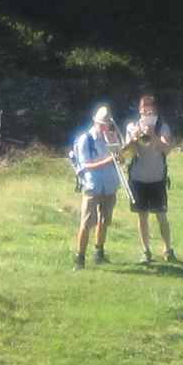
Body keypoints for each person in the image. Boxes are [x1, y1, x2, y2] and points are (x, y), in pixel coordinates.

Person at [121, 93, 179, 264]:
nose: (147, 115)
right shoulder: (132, 126)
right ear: (139, 111)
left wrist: (152, 135)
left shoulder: (163, 127)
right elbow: (126, 154)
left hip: (157, 178)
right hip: (138, 178)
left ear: (155, 112)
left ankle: (168, 249)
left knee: (161, 216)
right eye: (144, 112)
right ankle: (146, 251)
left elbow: (166, 150)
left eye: (150, 112)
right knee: (142, 216)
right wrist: (133, 139)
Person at [68, 102, 122, 266]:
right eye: (102, 124)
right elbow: (85, 165)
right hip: (92, 186)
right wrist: (108, 160)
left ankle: (99, 252)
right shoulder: (86, 139)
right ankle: (80, 258)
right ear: (95, 122)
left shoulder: (112, 137)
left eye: (107, 124)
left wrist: (120, 156)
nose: (105, 127)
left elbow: (119, 160)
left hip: (110, 185)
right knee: (86, 223)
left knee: (104, 220)